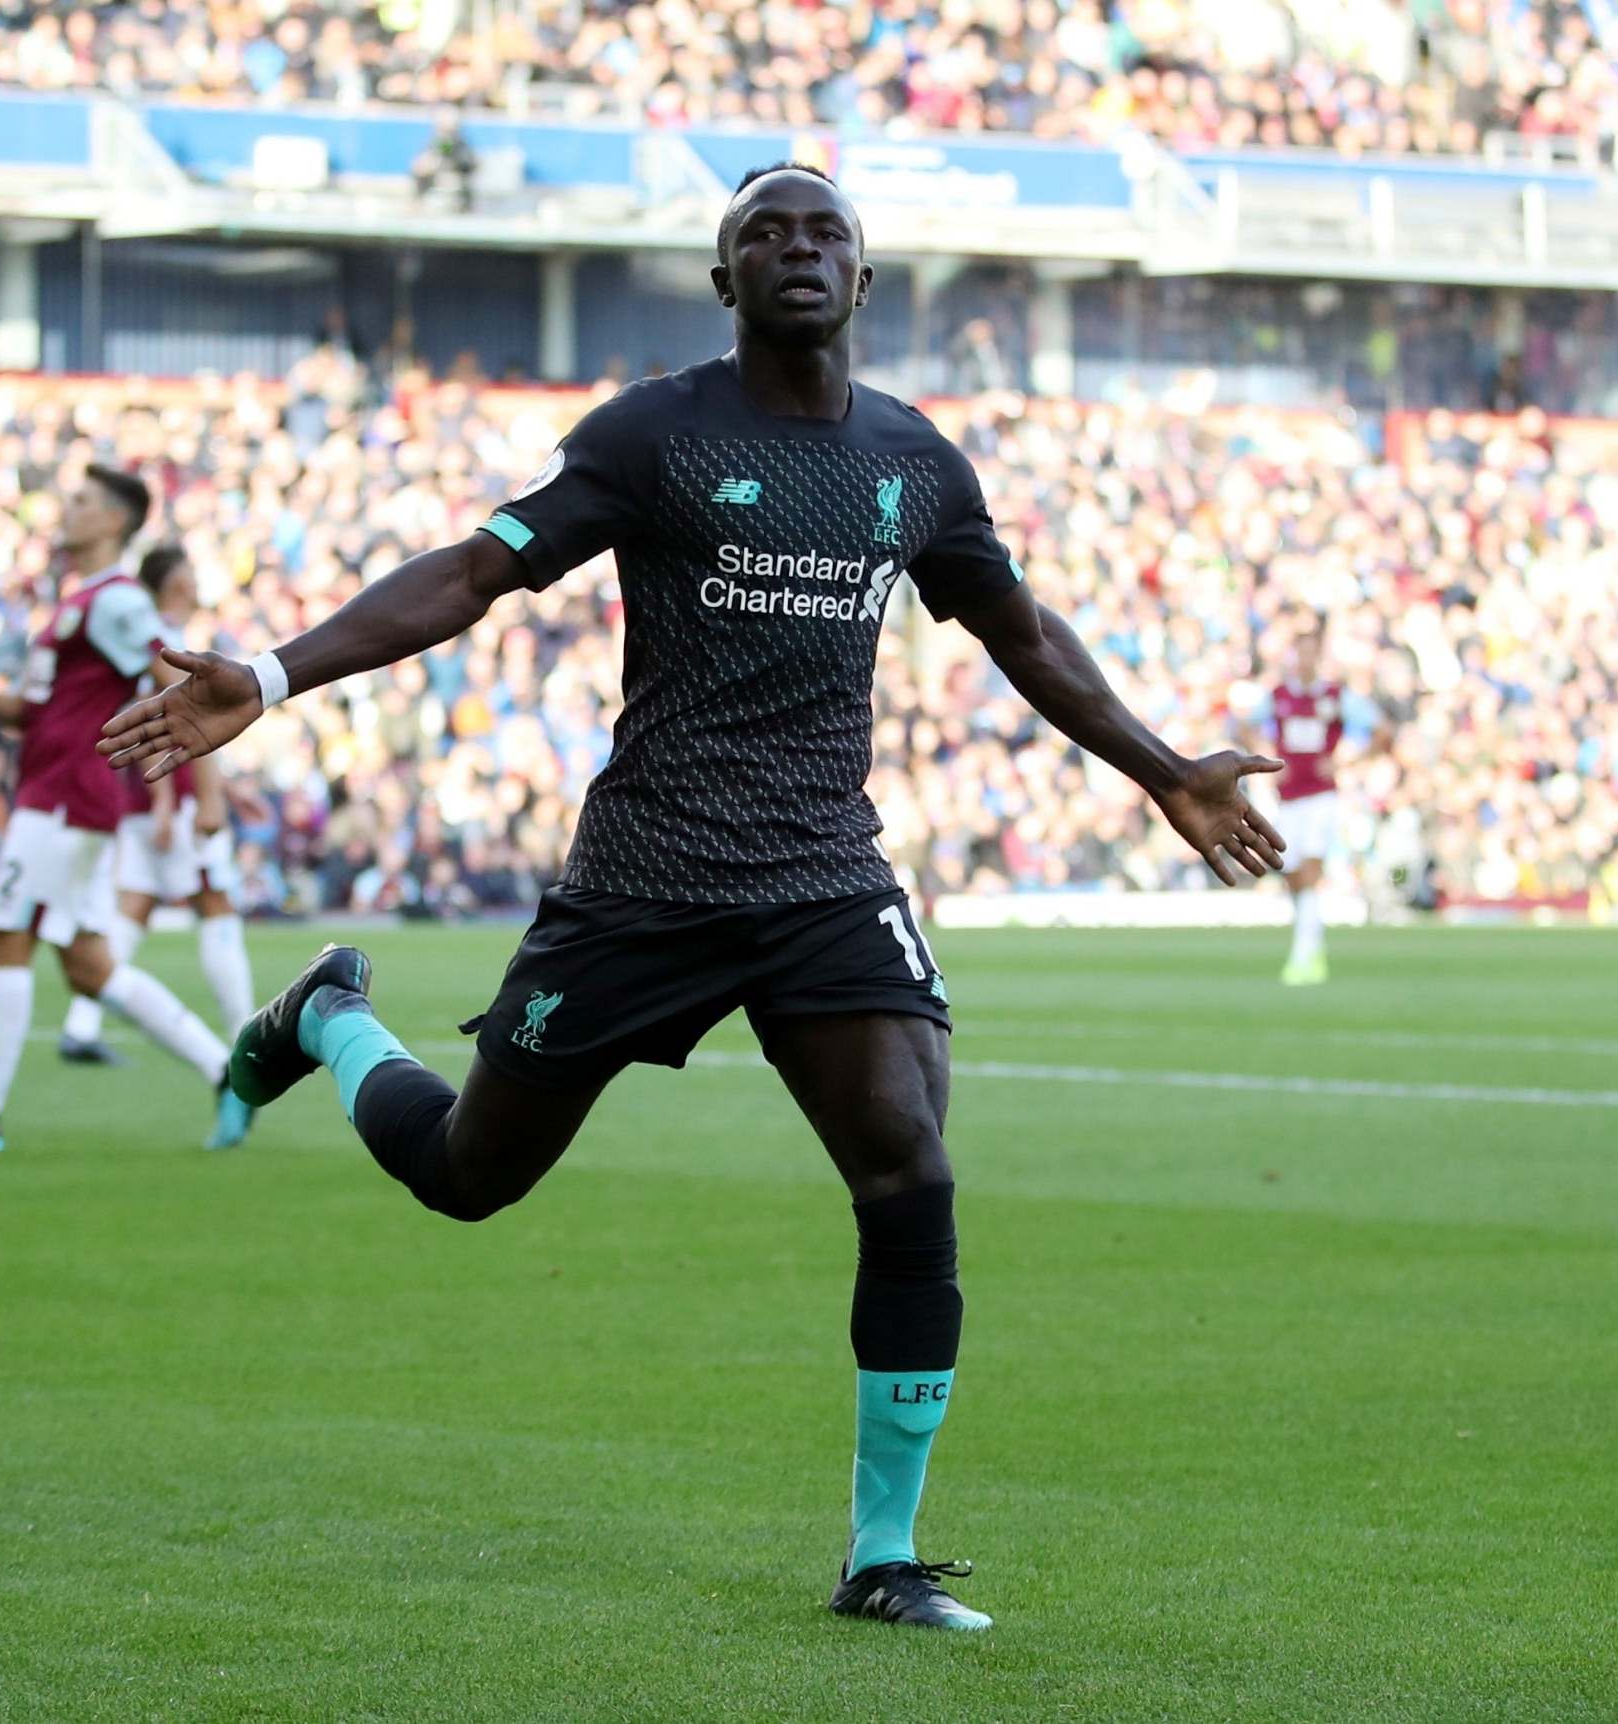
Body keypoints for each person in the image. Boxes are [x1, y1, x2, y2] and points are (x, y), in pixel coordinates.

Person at [101, 165, 1285, 1631]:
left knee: (908, 1168)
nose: (797, 248)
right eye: (762, 235)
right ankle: (332, 1017)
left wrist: (1165, 772)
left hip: (820, 876)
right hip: (643, 881)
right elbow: (477, 573)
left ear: (864, 277)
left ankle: (881, 1556)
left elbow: (1016, 633)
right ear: (723, 282)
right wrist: (276, 673)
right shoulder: (653, 434)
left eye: (823, 232)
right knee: (472, 1177)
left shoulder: (916, 463)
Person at [0, 468, 255, 1157]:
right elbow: (33, 715)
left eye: (83, 502)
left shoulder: (118, 602)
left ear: (114, 522)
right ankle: (225, 1072)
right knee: (89, 967)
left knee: (6, 939)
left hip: (65, 798)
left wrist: (207, 793)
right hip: (57, 791)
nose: (68, 509)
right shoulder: (76, 602)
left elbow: (185, 692)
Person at [58, 546, 256, 1064]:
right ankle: (245, 1036)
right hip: (173, 796)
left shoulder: (148, 639)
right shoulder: (164, 644)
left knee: (135, 905)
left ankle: (80, 1025)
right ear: (176, 583)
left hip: (144, 800)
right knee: (215, 901)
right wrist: (176, 798)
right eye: (191, 569)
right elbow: (166, 722)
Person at [1268, 624, 1344, 985]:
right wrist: (1265, 756)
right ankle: (1313, 944)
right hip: (1289, 798)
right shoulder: (1279, 696)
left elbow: (1378, 730)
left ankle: (1303, 955)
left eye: (1313, 651)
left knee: (1311, 870)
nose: (1307, 659)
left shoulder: (1335, 695)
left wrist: (1344, 760)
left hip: (1321, 796)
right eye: (1302, 651)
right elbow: (1249, 725)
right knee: (1293, 873)